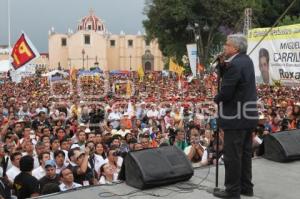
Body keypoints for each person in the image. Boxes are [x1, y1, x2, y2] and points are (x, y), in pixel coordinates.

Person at [213, 34, 258, 199]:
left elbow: (226, 92)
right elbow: (236, 79)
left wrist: (215, 99)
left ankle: (232, 191)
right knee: (245, 154)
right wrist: (221, 65)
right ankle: (246, 187)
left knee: (232, 156)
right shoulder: (246, 61)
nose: (225, 47)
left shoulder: (234, 65)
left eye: (227, 45)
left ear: (236, 48)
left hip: (235, 117)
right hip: (248, 116)